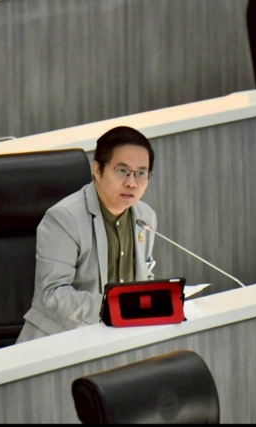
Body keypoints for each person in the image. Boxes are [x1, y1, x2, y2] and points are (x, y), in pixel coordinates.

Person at [16, 126, 157, 343]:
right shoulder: (64, 218)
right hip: (61, 342)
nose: (132, 182)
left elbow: (143, 277)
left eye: (141, 173)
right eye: (122, 171)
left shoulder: (145, 216)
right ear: (97, 170)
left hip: (119, 339)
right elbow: (51, 295)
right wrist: (116, 307)